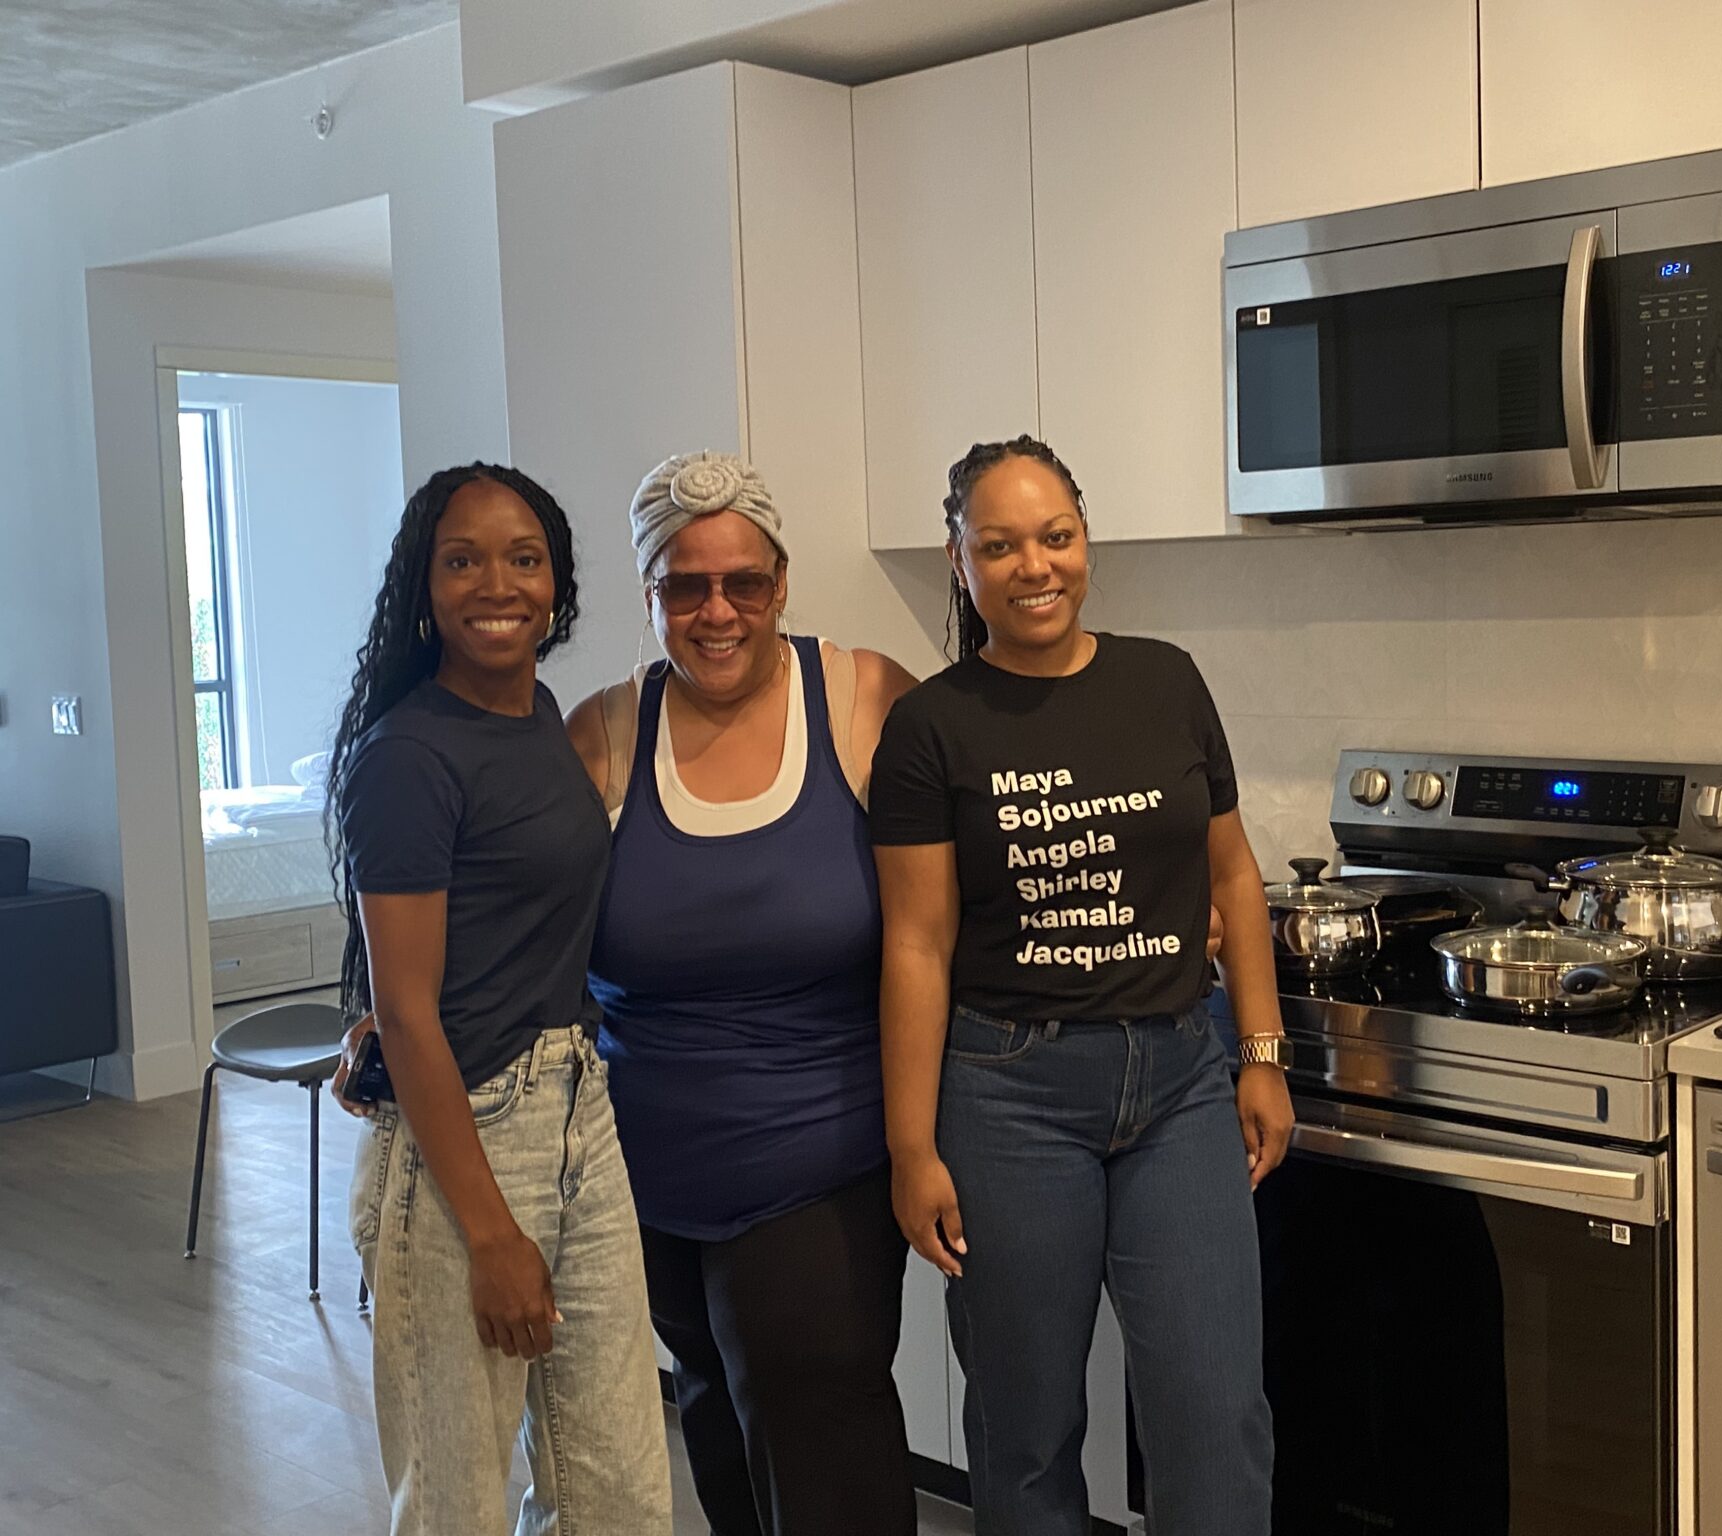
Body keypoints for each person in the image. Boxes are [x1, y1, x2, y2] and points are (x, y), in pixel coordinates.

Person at [868, 436, 1294, 1536]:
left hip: (1179, 1082)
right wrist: (911, 1148)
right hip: (1007, 1095)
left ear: (1084, 541)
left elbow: (1232, 873)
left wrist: (1259, 1054)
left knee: (1213, 1417)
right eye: (998, 546)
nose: (1033, 566)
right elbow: (914, 945)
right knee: (1024, 1430)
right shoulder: (931, 727)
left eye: (1053, 537)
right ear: (959, 563)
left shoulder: (1162, 679)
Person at [563, 452, 922, 1536]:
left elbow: (964, 892)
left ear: (779, 581)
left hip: (821, 1165)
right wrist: (387, 1011)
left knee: (821, 1442)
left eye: (742, 583)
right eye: (684, 585)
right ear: (650, 596)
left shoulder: (865, 698)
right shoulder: (604, 734)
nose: (716, 611)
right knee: (716, 1424)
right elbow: (522, 922)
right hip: (650, 1176)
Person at [329, 463, 671, 1536]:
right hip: (462, 1142)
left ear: (558, 586)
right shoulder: (407, 756)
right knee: (456, 1502)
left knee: (615, 1486)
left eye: (524, 559)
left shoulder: (540, 716)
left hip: (581, 1107)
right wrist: (488, 1233)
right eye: (462, 559)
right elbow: (412, 1006)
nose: (497, 584)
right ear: (423, 586)